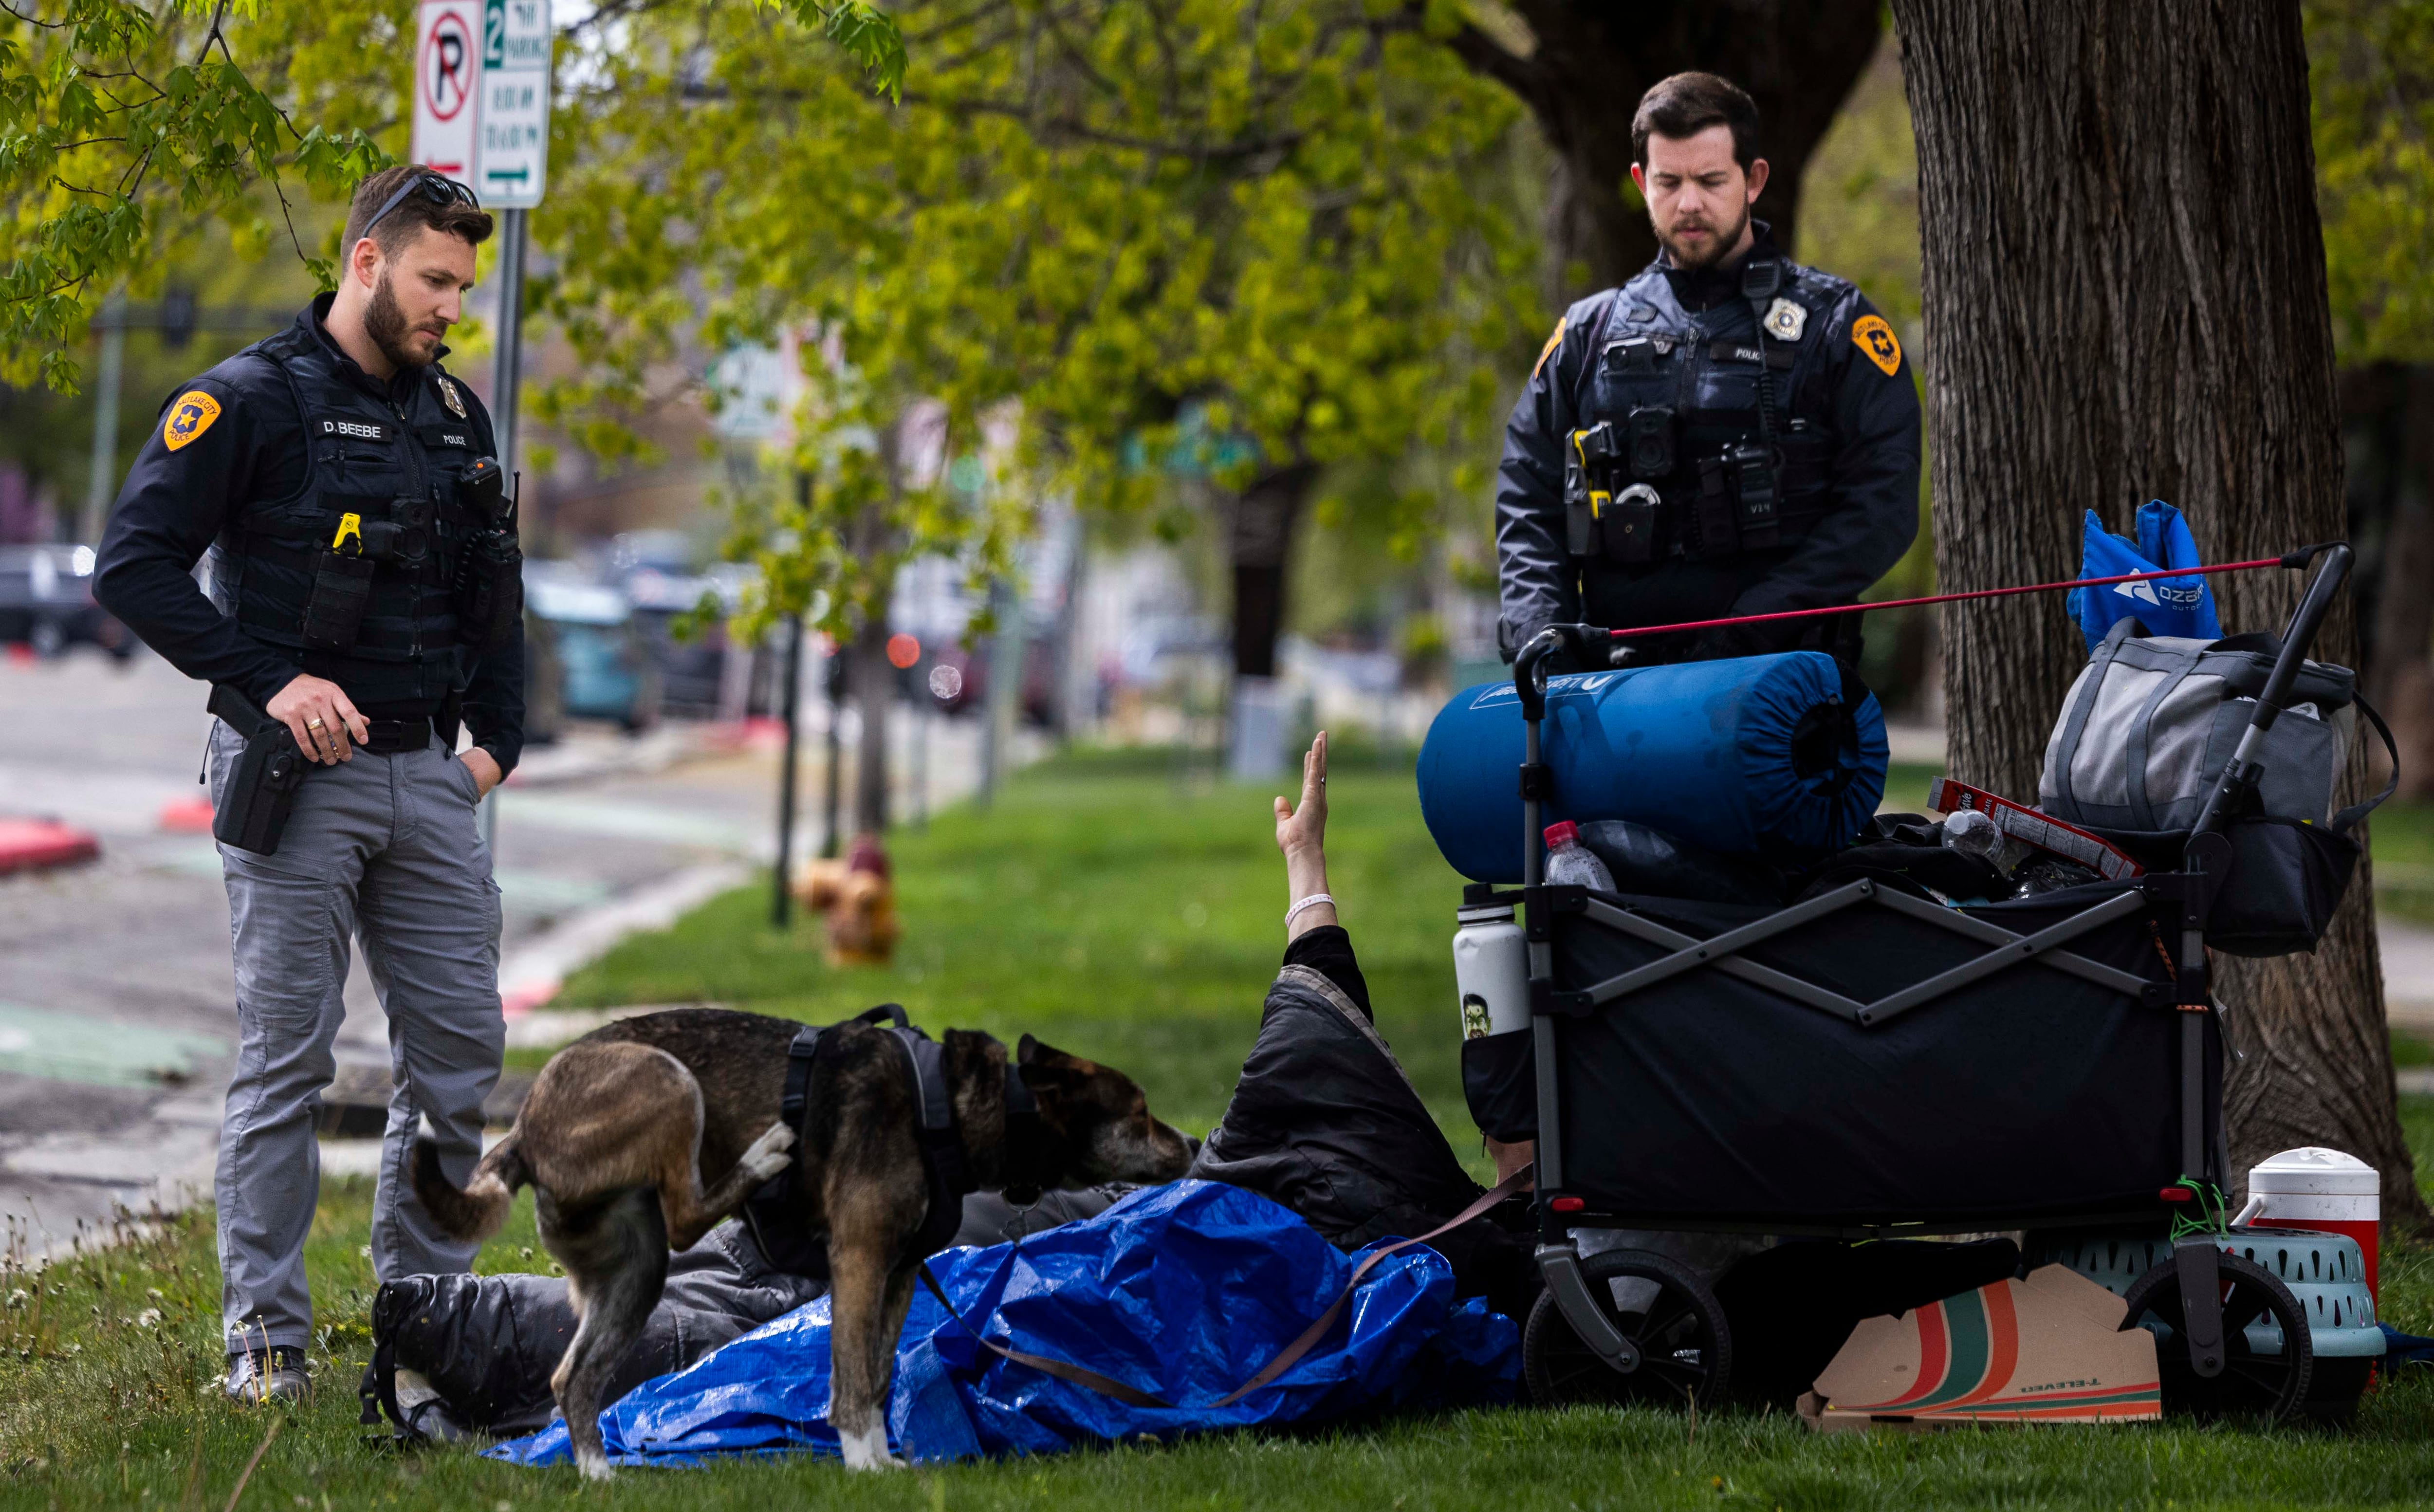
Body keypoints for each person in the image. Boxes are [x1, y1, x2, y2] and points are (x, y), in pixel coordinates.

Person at [93, 166, 524, 1404]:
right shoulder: (246, 400)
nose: (454, 305)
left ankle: (422, 1322)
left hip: (429, 775)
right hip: (296, 777)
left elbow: (495, 597)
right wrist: (271, 681)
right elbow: (136, 565)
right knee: (290, 1057)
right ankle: (267, 1341)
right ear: (367, 263)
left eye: (465, 285)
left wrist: (494, 744)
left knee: (456, 1056)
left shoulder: (457, 414)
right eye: (437, 280)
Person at [1495, 72, 1921, 671]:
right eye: (1668, 182)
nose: (1688, 202)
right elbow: (1526, 494)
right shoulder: (1587, 334)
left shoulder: (1834, 326)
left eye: (1710, 180)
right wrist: (1541, 631)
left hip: (1779, 680)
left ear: (1753, 181)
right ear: (1641, 182)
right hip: (1613, 689)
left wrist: (1760, 620)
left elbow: (1883, 501)